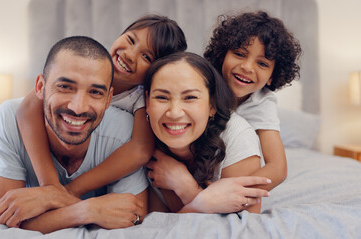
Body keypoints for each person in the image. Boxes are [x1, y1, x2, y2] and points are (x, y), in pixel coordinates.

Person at [0, 36, 148, 233]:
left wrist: (52, 197)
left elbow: (133, 217)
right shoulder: (10, 118)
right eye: (65, 87)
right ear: (40, 87)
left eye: (95, 92)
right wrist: (88, 210)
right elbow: (1, 221)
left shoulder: (125, 132)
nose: (78, 107)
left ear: (109, 99)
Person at [16, 14, 187, 198]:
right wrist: (49, 183)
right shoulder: (89, 65)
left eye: (146, 56)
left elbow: (139, 150)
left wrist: (69, 191)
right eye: (130, 40)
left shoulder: (140, 99)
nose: (129, 54)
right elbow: (26, 108)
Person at [144, 51, 270, 214]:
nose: (174, 113)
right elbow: (153, 228)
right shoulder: (136, 142)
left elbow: (245, 229)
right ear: (147, 102)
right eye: (161, 97)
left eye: (190, 97)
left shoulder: (237, 136)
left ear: (212, 105)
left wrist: (187, 189)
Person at [203, 11, 302, 191]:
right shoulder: (202, 83)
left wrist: (232, 192)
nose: (247, 67)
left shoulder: (261, 101)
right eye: (239, 54)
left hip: (229, 170)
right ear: (222, 55)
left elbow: (278, 169)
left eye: (262, 64)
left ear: (272, 76)